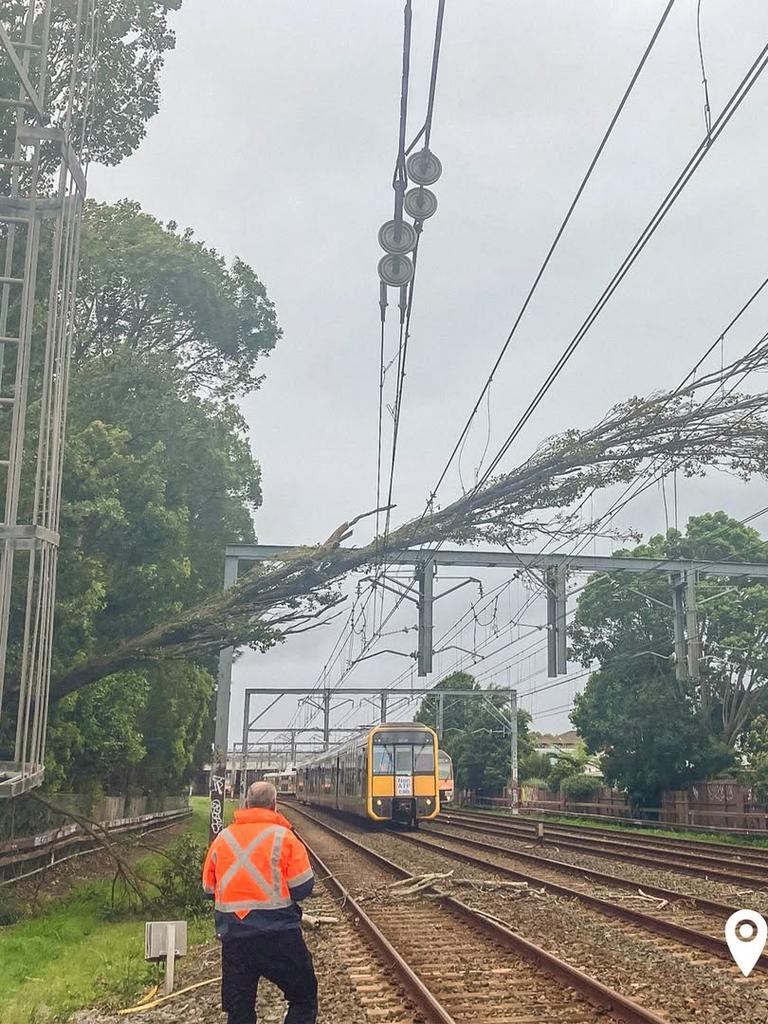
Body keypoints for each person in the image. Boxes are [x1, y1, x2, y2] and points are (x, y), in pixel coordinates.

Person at [203, 781, 318, 1024]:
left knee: (239, 1008)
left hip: (235, 940)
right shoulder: (285, 838)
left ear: (246, 804)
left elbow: (208, 889)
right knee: (304, 997)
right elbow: (303, 888)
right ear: (275, 805)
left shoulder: (222, 839)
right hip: (280, 937)